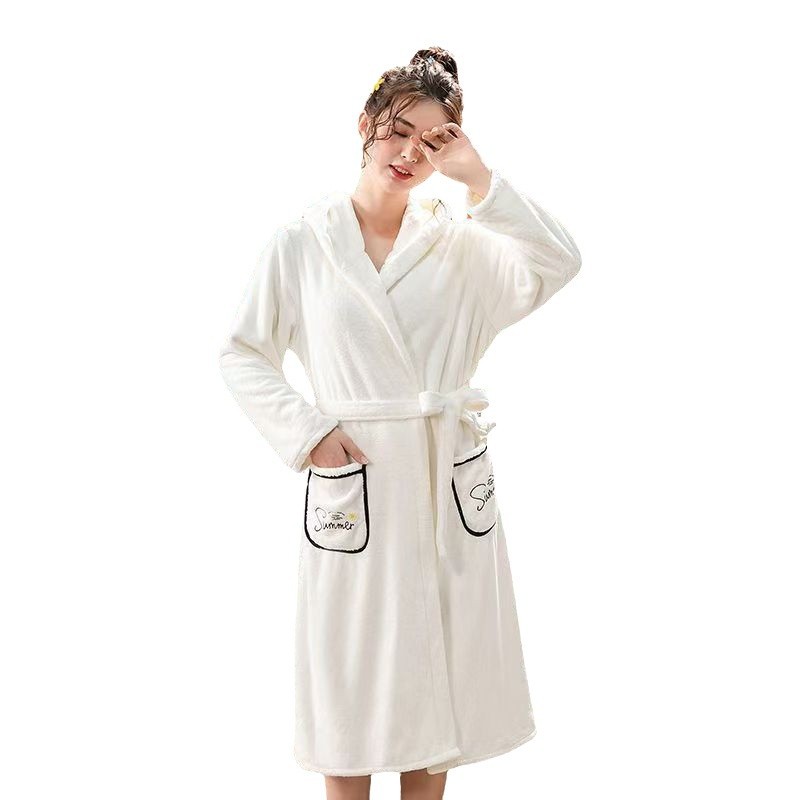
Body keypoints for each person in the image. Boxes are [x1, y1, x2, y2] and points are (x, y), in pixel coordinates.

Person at [218, 46, 581, 800]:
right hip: (355, 481)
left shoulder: (461, 245)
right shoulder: (302, 243)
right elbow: (243, 352)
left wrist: (480, 180)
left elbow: (557, 261)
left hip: (442, 476)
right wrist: (309, 434)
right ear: (365, 126)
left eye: (433, 140)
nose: (411, 152)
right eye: (398, 130)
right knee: (348, 678)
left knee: (438, 666)